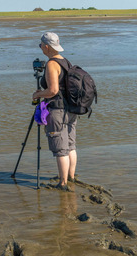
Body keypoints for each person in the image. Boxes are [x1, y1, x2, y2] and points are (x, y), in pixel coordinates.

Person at [32, 32, 77, 191]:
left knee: (60, 149)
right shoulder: (65, 61)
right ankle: (71, 177)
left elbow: (52, 90)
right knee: (70, 146)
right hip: (71, 109)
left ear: (46, 46)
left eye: (41, 45)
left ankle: (63, 183)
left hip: (58, 110)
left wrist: (38, 94)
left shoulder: (52, 64)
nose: (41, 48)